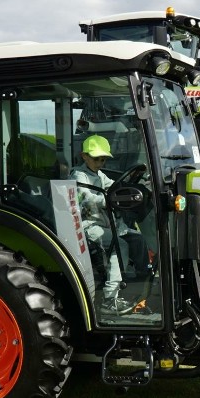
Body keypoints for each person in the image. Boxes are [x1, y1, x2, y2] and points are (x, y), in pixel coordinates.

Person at [70, 135, 143, 315]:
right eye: (96, 158)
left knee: (137, 238)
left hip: (106, 224)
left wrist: (129, 189)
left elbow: (113, 187)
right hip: (87, 226)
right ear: (84, 156)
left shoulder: (99, 174)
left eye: (103, 159)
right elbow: (86, 199)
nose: (100, 162)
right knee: (119, 245)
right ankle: (110, 299)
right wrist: (110, 199)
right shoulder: (78, 175)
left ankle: (143, 279)